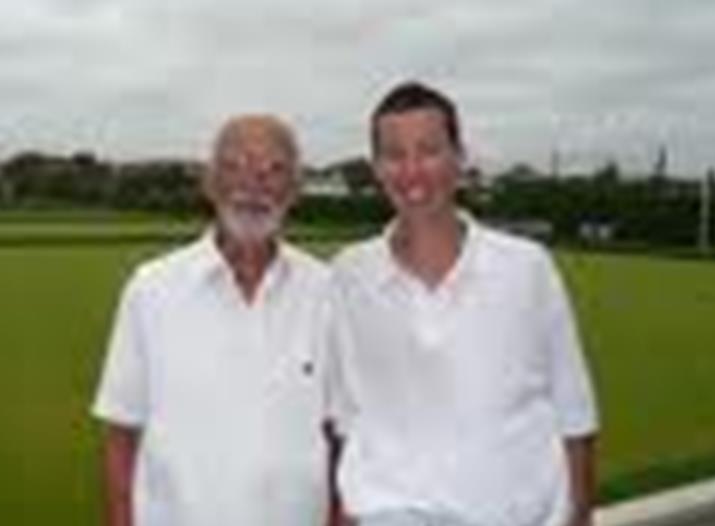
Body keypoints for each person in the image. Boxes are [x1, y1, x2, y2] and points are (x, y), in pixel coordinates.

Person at [327, 82, 599, 526]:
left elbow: (575, 410)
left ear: (459, 157)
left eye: (429, 150)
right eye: (395, 154)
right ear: (376, 167)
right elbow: (341, 419)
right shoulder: (346, 275)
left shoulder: (527, 268)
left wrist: (580, 517)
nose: (412, 171)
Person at [91, 115, 334, 526]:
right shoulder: (151, 289)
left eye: (273, 170)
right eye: (234, 165)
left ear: (295, 190)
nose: (253, 185)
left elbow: (342, 438)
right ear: (209, 182)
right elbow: (121, 435)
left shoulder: (329, 292)